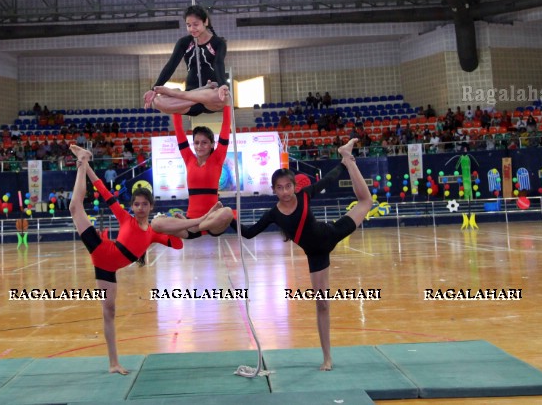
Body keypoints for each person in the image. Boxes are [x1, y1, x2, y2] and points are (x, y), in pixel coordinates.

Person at [234, 139, 372, 371]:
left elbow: (329, 179)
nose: (285, 191)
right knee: (323, 305)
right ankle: (327, 357)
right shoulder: (273, 214)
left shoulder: (306, 195)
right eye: (280, 188)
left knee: (366, 201)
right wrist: (229, 218)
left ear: (294, 186)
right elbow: (248, 233)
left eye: (288, 186)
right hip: (316, 256)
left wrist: (343, 163)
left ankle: (347, 156)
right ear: (274, 190)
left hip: (332, 233)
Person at [68, 145, 200, 374]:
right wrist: (87, 168)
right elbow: (101, 187)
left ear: (151, 207)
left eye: (144, 204)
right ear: (132, 206)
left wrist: (178, 224)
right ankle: (82, 161)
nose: (140, 208)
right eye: (136, 204)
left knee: (109, 311)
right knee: (74, 207)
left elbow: (178, 244)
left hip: (107, 269)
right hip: (101, 250)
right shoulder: (125, 218)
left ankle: (113, 363)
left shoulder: (154, 232)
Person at [151, 105, 235, 239]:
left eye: (204, 143)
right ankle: (196, 224)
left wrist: (226, 104)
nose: (199, 146)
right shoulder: (189, 159)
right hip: (189, 222)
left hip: (211, 221)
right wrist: (175, 105)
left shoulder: (217, 158)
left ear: (212, 144)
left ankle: (198, 225)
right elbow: (179, 131)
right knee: (156, 223)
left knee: (228, 213)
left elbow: (226, 126)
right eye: (196, 143)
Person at [143, 4, 228, 116]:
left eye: (195, 25)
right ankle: (186, 95)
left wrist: (222, 84)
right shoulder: (184, 42)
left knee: (221, 96)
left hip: (210, 97)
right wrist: (154, 89)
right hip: (189, 100)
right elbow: (171, 65)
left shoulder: (218, 43)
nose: (192, 29)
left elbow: (218, 63)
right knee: (158, 101)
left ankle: (179, 94)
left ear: (205, 22)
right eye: (188, 25)